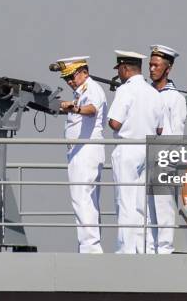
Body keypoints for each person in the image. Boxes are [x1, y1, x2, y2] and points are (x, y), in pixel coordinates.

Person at [108, 50, 164, 254]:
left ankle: (125, 249)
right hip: (147, 148)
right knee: (142, 203)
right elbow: (160, 129)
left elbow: (115, 123)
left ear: (124, 68)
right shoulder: (154, 93)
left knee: (125, 199)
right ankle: (144, 247)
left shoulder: (125, 91)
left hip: (128, 147)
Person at [55, 56, 107, 253]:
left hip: (86, 150)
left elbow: (92, 109)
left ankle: (90, 247)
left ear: (84, 72)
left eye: (71, 76)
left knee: (82, 197)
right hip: (81, 150)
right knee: (87, 199)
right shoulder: (81, 91)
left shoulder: (90, 88)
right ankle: (88, 245)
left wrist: (73, 107)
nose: (69, 81)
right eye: (65, 78)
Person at [147, 44, 187, 254]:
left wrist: (167, 160)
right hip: (145, 158)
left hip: (163, 159)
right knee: (146, 210)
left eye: (156, 65)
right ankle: (150, 249)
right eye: (150, 65)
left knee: (163, 208)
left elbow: (176, 135)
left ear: (167, 68)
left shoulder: (175, 98)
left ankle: (164, 249)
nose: (152, 69)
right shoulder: (147, 94)